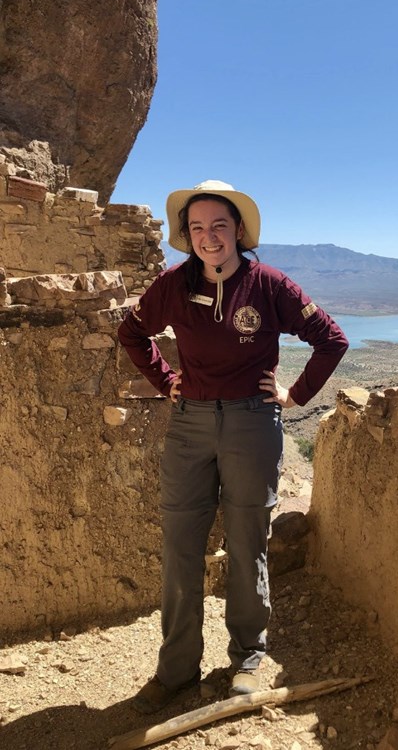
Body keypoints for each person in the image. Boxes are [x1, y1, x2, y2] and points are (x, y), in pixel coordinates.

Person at [117, 179, 348, 713]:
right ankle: (176, 670)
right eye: (196, 227)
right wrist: (165, 380)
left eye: (218, 225)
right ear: (187, 235)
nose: (208, 236)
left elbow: (331, 338)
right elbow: (133, 334)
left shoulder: (268, 284)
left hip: (251, 421)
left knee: (247, 543)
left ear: (238, 230)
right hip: (191, 423)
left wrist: (295, 394)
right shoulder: (173, 284)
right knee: (180, 545)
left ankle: (247, 657)